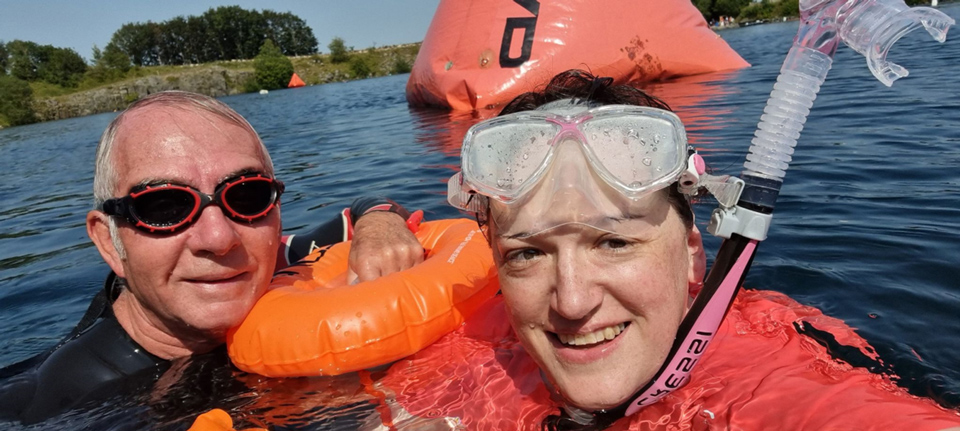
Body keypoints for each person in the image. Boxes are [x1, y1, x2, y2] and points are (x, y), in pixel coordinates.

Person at [440, 69, 960, 429]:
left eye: (615, 242)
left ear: (692, 253)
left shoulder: (771, 381)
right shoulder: (483, 345)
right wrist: (379, 216)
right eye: (528, 254)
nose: (571, 303)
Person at [0, 91, 424, 424]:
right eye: (164, 207)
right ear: (110, 242)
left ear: (275, 214)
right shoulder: (67, 402)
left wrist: (381, 224)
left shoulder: (276, 260)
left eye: (247, 195)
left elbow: (366, 207)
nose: (220, 239)